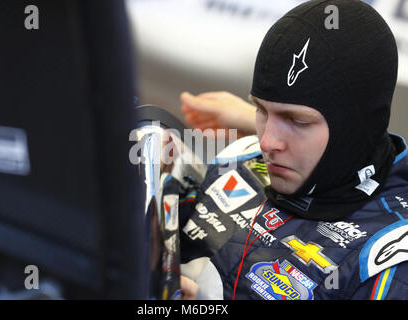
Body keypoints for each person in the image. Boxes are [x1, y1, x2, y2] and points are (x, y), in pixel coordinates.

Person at [170, 0, 408, 300]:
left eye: (297, 120)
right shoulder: (239, 158)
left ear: (354, 128)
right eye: (260, 110)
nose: (267, 142)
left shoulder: (390, 259)